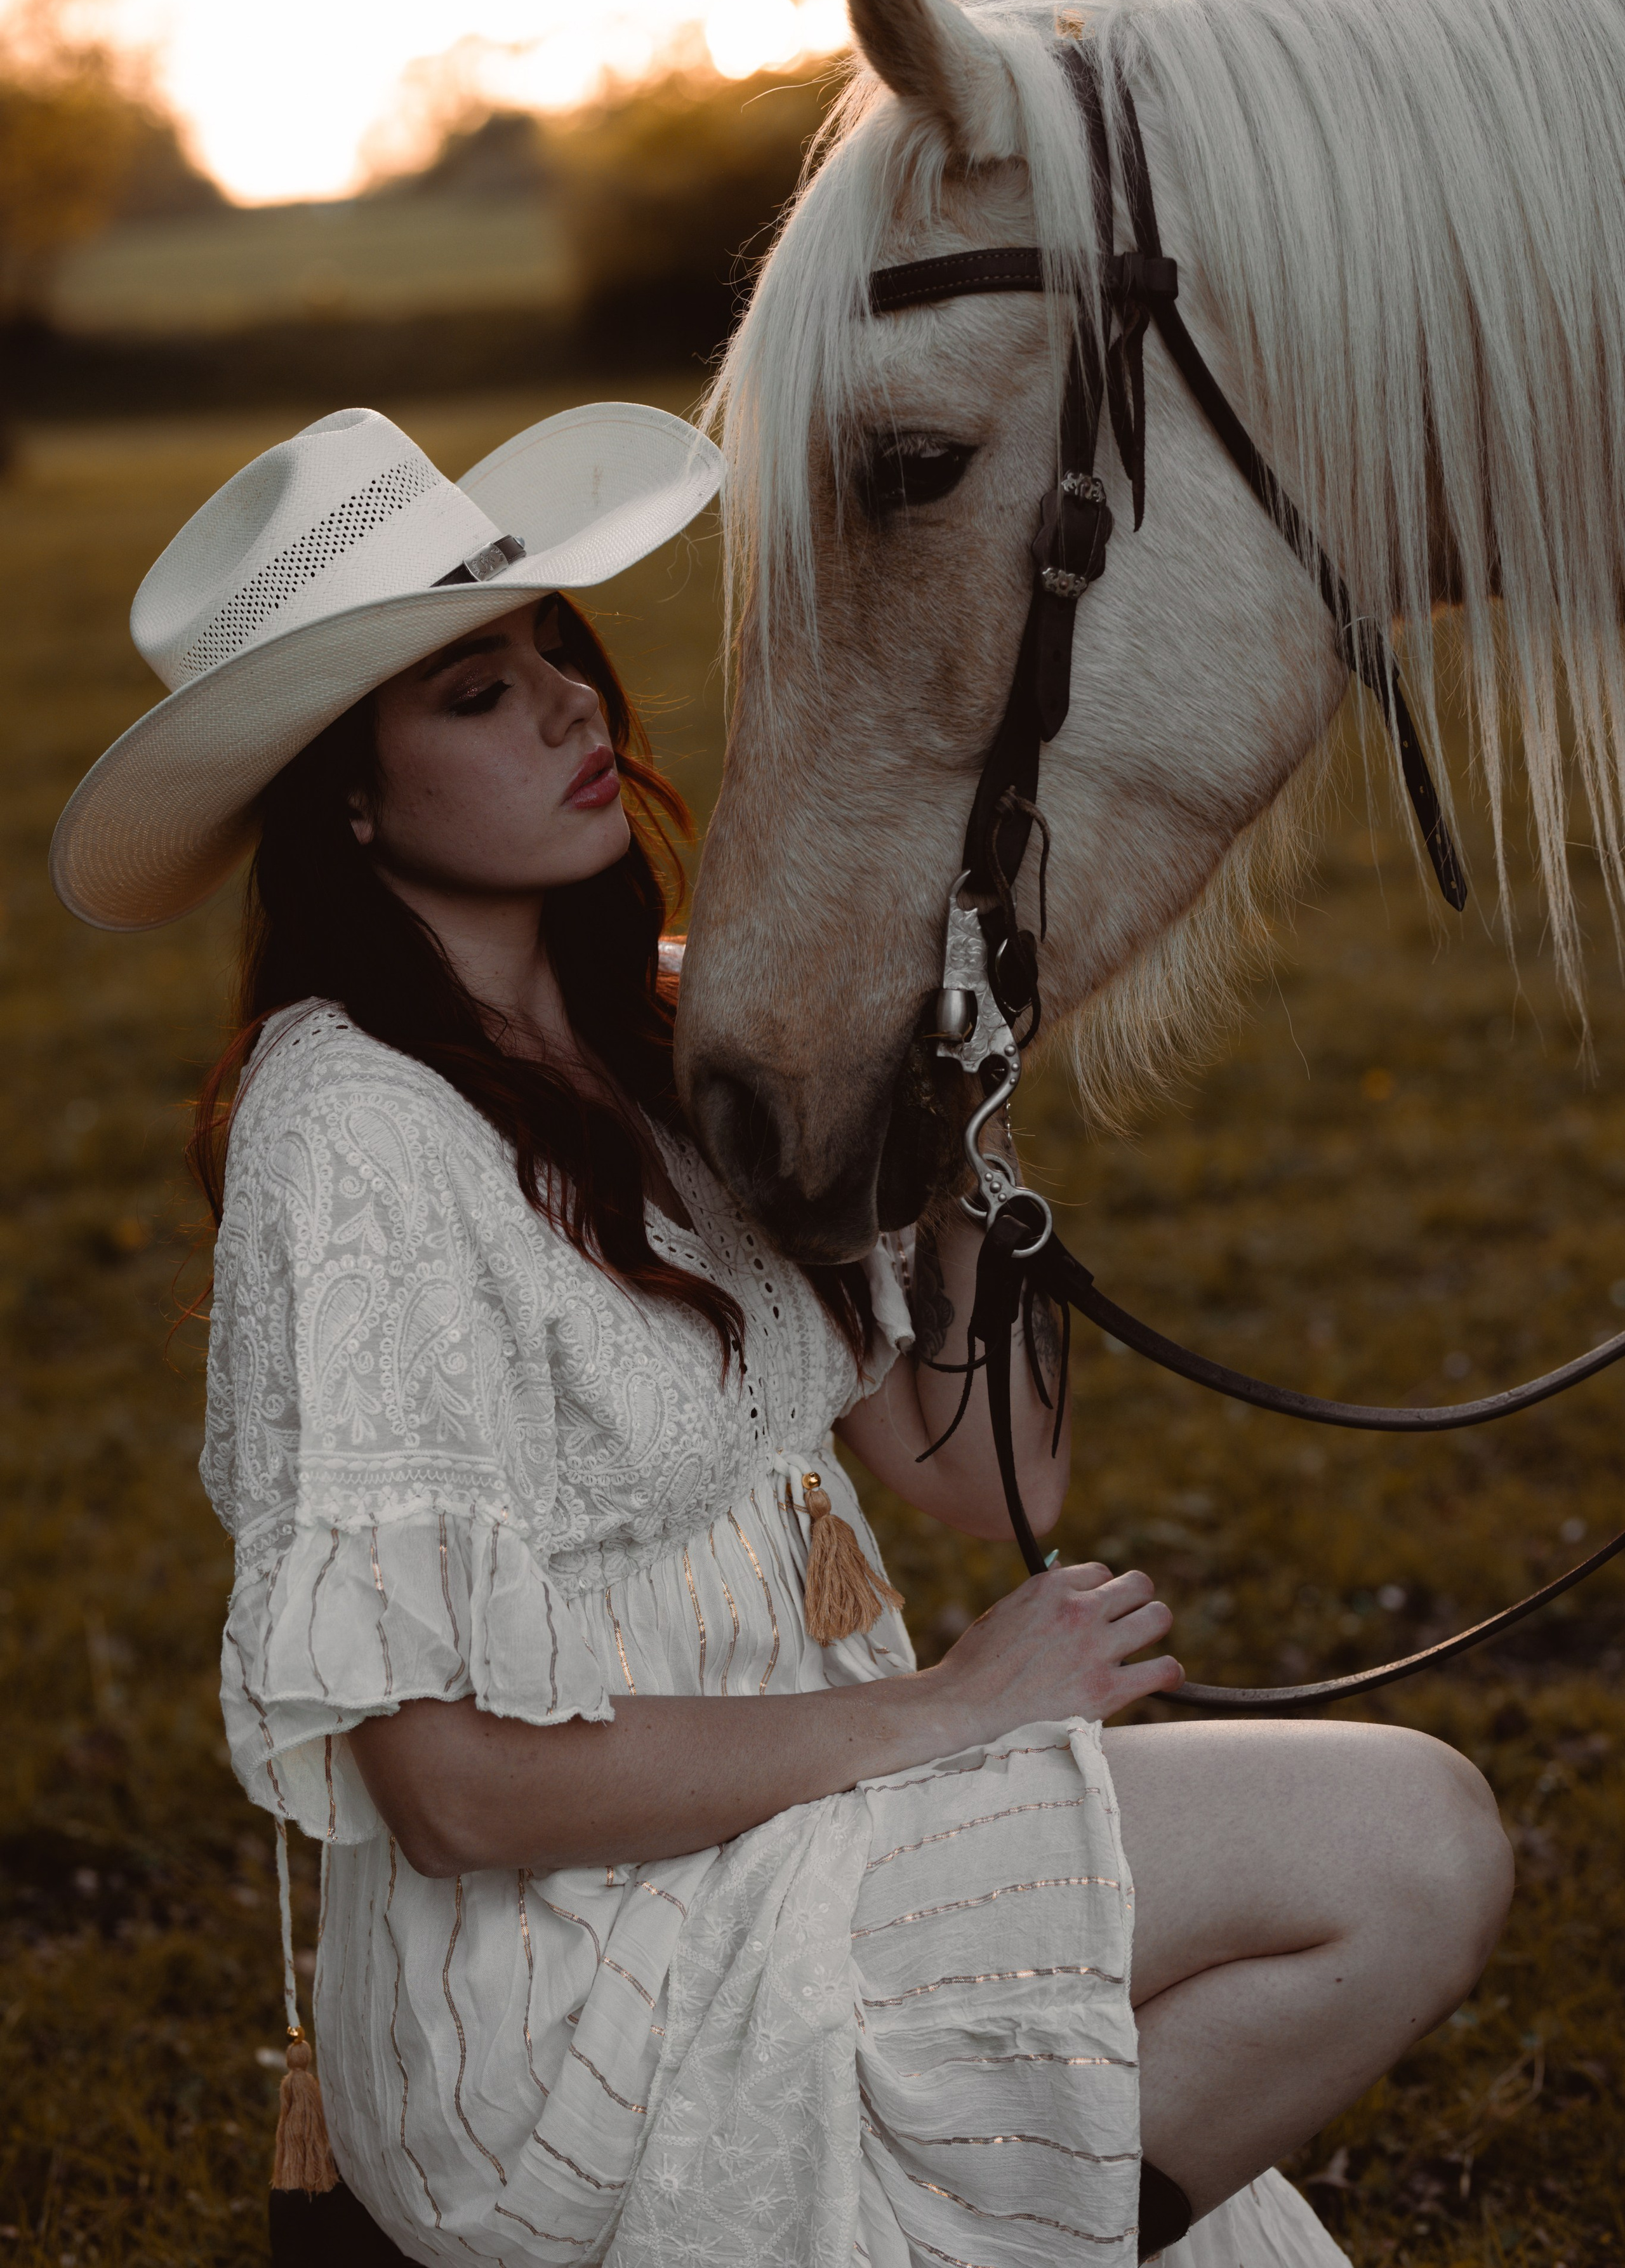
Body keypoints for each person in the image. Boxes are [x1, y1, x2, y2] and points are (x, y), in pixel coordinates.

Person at [53, 402, 1513, 2268]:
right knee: (1408, 1843)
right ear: (348, 798)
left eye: (552, 650)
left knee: (1389, 1874)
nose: (572, 706)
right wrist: (943, 1716)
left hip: (826, 1838)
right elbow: (452, 1791)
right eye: (477, 697)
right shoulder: (349, 1128)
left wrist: (961, 1147)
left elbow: (981, 1475)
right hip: (580, 1979)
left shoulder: (676, 1029)